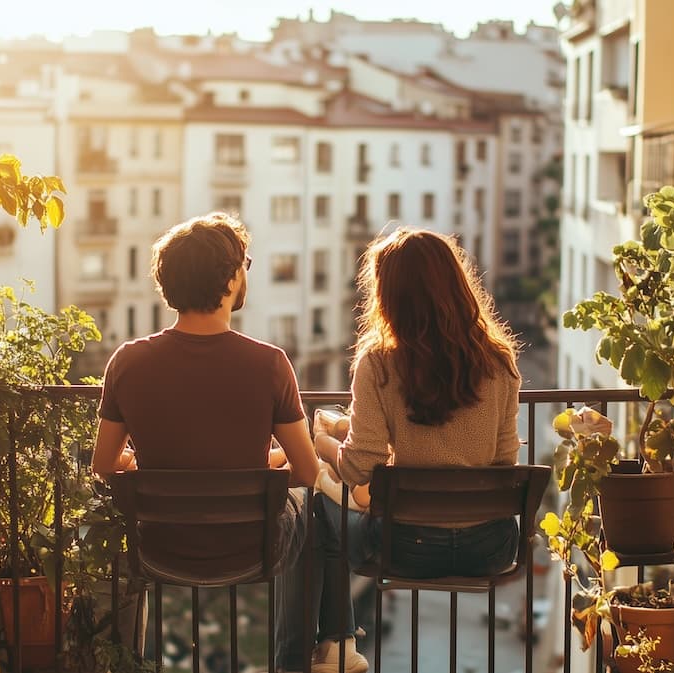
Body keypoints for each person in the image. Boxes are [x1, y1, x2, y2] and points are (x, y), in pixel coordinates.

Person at [280, 227, 522, 670]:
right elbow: (504, 461)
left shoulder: (379, 363)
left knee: (317, 514)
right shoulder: (499, 362)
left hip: (404, 545)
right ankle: (334, 646)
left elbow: (360, 469)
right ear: (456, 284)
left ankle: (331, 646)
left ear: (389, 294)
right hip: (491, 546)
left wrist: (324, 444)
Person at [91, 211, 319, 585]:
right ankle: (315, 641)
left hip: (158, 555)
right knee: (316, 507)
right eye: (244, 265)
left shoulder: (127, 362)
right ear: (231, 277)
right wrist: (262, 471)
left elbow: (103, 465)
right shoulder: (271, 364)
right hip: (252, 556)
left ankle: (134, 643)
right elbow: (308, 472)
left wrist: (143, 466)